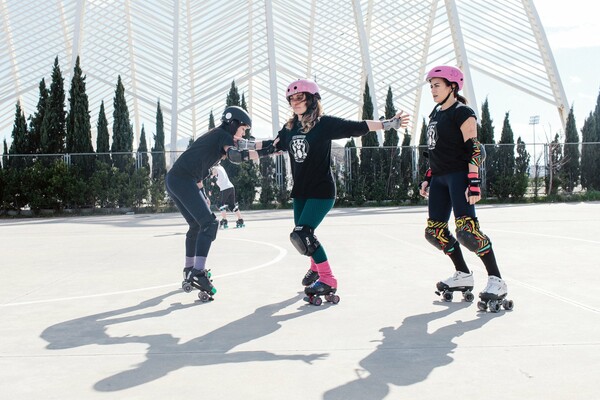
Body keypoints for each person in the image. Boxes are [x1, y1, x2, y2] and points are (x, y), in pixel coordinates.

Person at [272, 78, 409, 302]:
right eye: (292, 99)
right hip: (301, 192)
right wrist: (242, 147)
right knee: (304, 236)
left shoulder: (323, 124)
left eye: (300, 97)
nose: (295, 102)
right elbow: (272, 145)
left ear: (312, 100)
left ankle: (328, 278)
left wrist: (386, 124)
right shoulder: (289, 128)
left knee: (303, 234)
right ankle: (316, 269)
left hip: (321, 191)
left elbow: (355, 126)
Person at [419, 65, 511, 311]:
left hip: (459, 177)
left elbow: (475, 149)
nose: (433, 90)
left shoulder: (462, 112)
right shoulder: (436, 113)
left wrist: (473, 182)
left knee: (467, 232)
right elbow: (435, 150)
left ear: (452, 86)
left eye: (437, 85)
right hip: (439, 179)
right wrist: (428, 176)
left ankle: (496, 280)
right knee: (434, 233)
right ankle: (463, 274)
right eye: (431, 86)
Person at [166, 106, 276, 300]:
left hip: (175, 180)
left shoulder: (215, 137)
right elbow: (236, 155)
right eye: (243, 129)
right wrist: (269, 151)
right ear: (233, 124)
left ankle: (189, 269)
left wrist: (273, 144)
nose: (244, 134)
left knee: (196, 225)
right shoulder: (223, 136)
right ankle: (198, 273)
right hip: (183, 180)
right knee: (210, 223)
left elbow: (249, 144)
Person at [209, 163, 244, 229]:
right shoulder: (221, 167)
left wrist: (210, 189)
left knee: (220, 204)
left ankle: (224, 220)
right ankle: (240, 220)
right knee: (232, 205)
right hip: (231, 187)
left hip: (225, 188)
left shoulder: (215, 168)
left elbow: (214, 179)